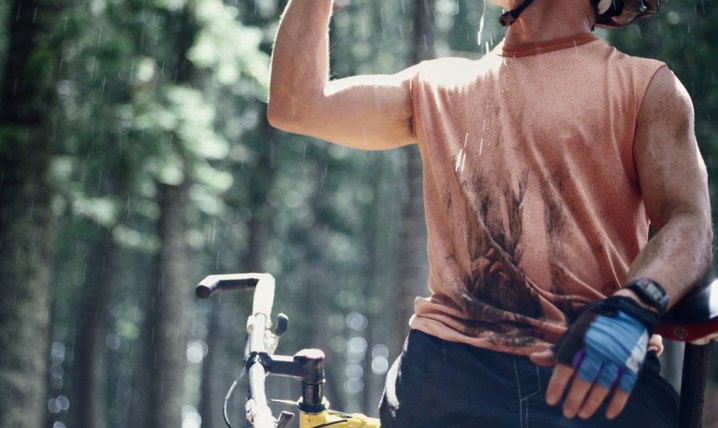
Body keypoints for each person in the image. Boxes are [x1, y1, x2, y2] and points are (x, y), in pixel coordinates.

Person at [266, 0, 713, 426]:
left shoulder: (646, 85)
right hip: (449, 375)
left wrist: (634, 307)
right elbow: (297, 106)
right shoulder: (437, 85)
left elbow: (689, 223)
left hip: (591, 366)